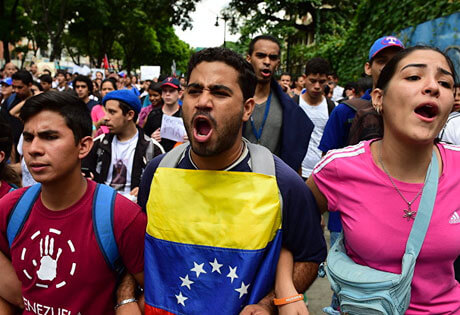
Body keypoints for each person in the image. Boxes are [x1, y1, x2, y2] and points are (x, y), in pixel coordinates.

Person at [138, 47, 326, 314]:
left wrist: (268, 304)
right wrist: (125, 297)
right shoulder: (157, 172)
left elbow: (309, 256)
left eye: (220, 92)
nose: (203, 102)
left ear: (247, 108)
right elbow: (134, 249)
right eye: (194, 91)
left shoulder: (283, 183)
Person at [308, 46, 459, 314]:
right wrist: (287, 292)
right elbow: (291, 227)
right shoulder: (340, 167)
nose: (433, 87)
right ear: (379, 98)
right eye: (414, 77)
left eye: (445, 82)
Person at [0, 91, 146, 314]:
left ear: (84, 146)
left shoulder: (122, 216)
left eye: (50, 137)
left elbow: (158, 294)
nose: (34, 149)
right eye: (29, 137)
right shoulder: (10, 208)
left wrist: (125, 298)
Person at [244, 35, 314, 172]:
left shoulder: (289, 109)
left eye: (273, 57)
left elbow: (294, 158)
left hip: (273, 183)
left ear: (278, 63)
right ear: (248, 58)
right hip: (235, 181)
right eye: (260, 55)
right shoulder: (234, 101)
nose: (267, 61)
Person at [83, 89, 163, 201]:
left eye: (112, 112)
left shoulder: (152, 148)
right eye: (106, 111)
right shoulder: (98, 144)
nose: (105, 118)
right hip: (100, 206)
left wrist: (145, 189)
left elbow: (162, 186)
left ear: (130, 115)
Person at [295, 57, 335, 179]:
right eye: (312, 81)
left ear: (327, 80)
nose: (317, 86)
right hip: (296, 173)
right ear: (304, 78)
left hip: (322, 173)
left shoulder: (331, 107)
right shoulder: (294, 104)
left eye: (321, 82)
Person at [143, 77, 185, 152]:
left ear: (180, 94)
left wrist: (189, 140)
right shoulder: (153, 114)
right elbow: (144, 139)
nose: (167, 94)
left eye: (171, 91)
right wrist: (151, 139)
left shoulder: (186, 115)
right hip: (158, 158)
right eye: (165, 91)